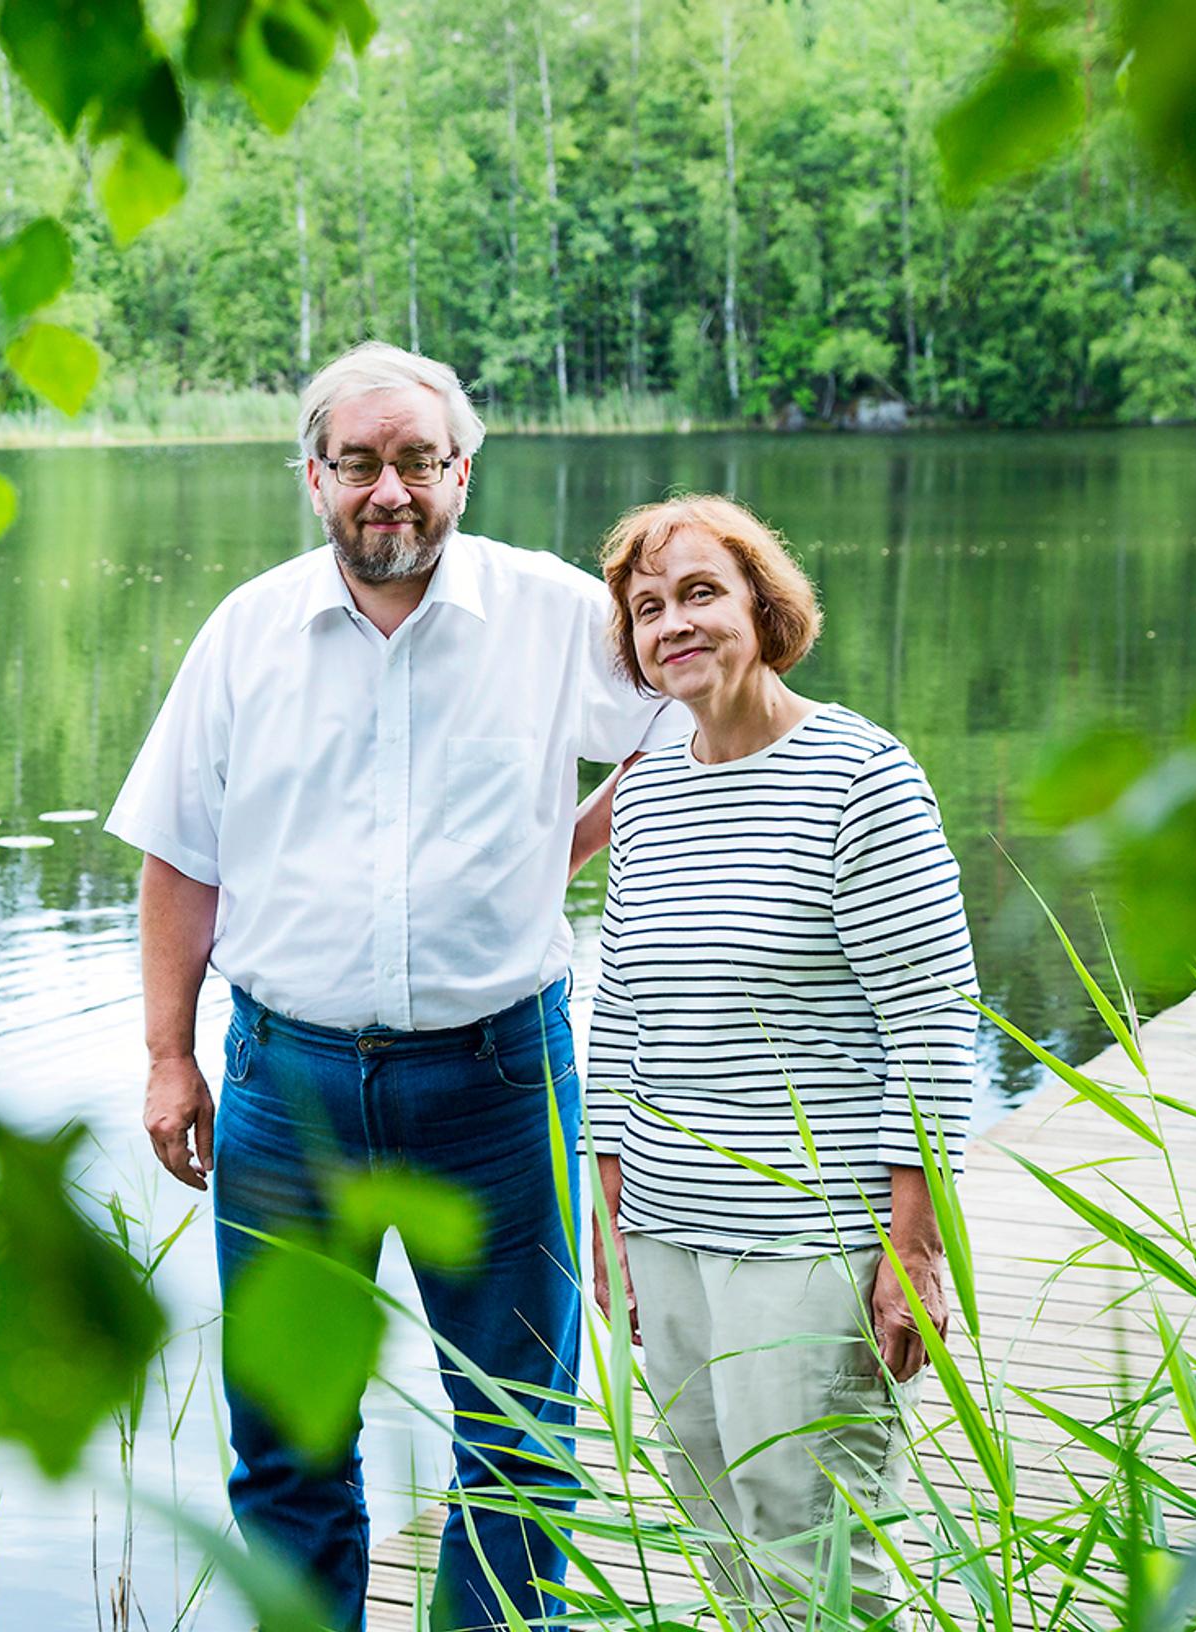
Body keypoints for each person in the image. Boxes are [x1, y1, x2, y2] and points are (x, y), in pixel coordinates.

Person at [105, 341, 682, 1632]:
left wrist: (571, 836)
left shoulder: (551, 616)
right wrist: (166, 1053)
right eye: (360, 462)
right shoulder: (247, 635)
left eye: (418, 461)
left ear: (462, 472)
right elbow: (178, 860)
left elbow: (683, 717)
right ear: (314, 478)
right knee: (289, 1450)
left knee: (520, 1443)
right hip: (282, 1090)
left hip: (497, 1084)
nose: (390, 491)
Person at [583, 494, 978, 1627]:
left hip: (809, 1229)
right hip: (665, 1224)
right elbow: (623, 1014)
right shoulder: (648, 786)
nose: (674, 624)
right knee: (715, 1518)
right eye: (648, 608)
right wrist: (610, 1215)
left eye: (701, 592)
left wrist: (915, 1248)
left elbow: (932, 1024)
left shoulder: (862, 775)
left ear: (763, 603)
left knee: (811, 1530)